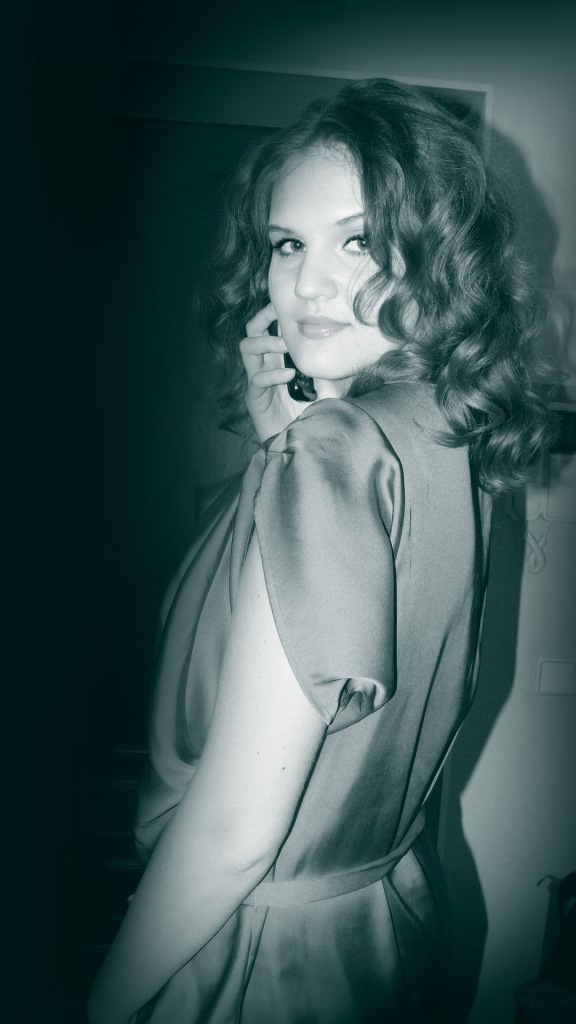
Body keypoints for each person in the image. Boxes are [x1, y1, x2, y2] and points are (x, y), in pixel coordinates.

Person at [87, 78, 555, 1024]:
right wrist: (284, 445)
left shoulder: (336, 455)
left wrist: (104, 1001)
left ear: (437, 254)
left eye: (359, 240)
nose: (306, 285)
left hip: (251, 959)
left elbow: (232, 834)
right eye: (286, 244)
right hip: (381, 924)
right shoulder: (442, 436)